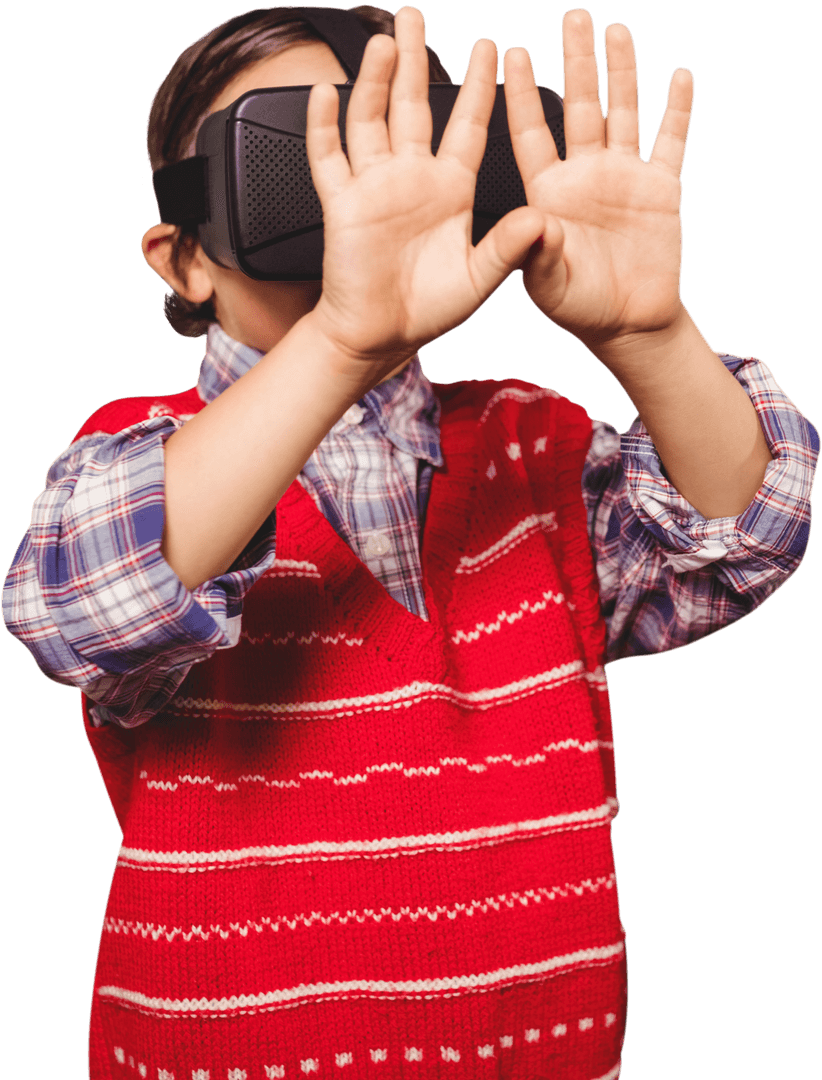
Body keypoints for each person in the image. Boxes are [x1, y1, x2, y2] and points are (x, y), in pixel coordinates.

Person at [2, 4, 817, 1078]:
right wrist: (342, 336)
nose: (360, 200)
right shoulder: (143, 463)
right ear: (184, 260)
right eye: (304, 159)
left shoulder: (531, 449)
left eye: (400, 142)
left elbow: (740, 539)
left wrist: (650, 335)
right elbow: (79, 600)